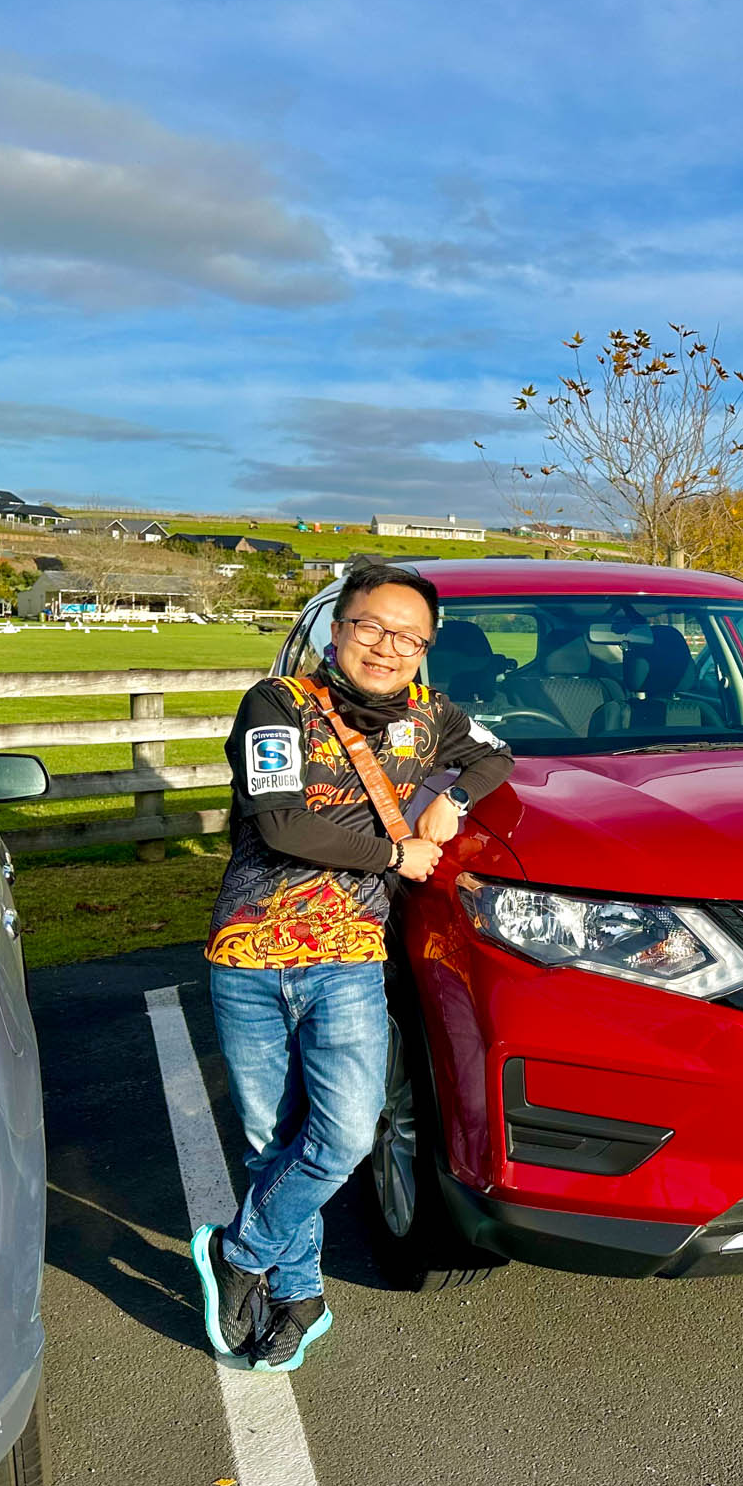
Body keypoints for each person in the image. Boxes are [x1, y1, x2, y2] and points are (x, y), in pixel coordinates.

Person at [191, 561, 513, 1371]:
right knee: (273, 1141)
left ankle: (239, 1253)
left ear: (426, 648)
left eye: (409, 637)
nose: (387, 646)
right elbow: (282, 824)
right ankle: (299, 1293)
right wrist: (397, 851)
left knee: (340, 1136)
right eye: (371, 626)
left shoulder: (431, 716)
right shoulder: (279, 705)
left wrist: (453, 798)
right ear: (338, 629)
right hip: (251, 954)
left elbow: (496, 755)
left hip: (348, 961)